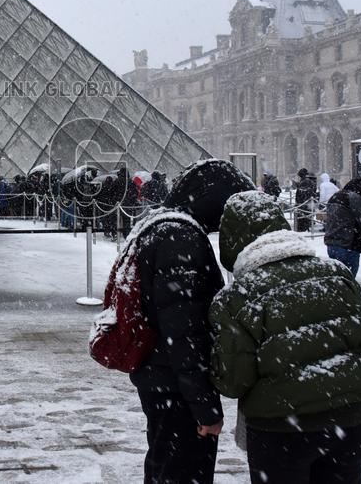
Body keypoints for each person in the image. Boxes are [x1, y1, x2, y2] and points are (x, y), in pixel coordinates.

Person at [210, 191, 361, 484]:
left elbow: (234, 381)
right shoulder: (338, 274)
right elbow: (360, 344)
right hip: (349, 422)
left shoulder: (237, 298)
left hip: (279, 432)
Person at [129, 159, 253, 484]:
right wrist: (205, 407)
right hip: (176, 387)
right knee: (183, 472)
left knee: (163, 466)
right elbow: (183, 334)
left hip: (159, 378)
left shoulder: (161, 227)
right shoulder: (180, 239)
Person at [323, 177, 361, 278]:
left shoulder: (335, 196)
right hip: (347, 244)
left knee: (336, 280)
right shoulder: (354, 198)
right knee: (349, 281)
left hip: (331, 242)